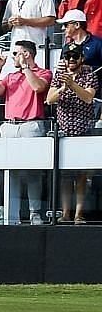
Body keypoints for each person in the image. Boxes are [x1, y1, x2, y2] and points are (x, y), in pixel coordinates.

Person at [0, 40, 50, 224]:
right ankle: (12, 215)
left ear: (26, 54)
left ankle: (35, 213)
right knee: (10, 171)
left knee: (33, 172)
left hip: (31, 124)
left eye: (16, 53)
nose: (12, 57)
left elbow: (38, 88)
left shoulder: (43, 72)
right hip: (10, 125)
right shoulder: (11, 76)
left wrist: (26, 68)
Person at [47, 47, 98, 223]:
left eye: (74, 56)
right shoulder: (59, 74)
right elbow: (49, 99)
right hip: (64, 131)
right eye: (67, 56)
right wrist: (63, 86)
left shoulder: (89, 73)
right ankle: (65, 212)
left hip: (84, 130)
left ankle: (79, 213)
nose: (71, 59)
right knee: (65, 176)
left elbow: (88, 97)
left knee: (82, 175)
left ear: (82, 58)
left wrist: (73, 84)